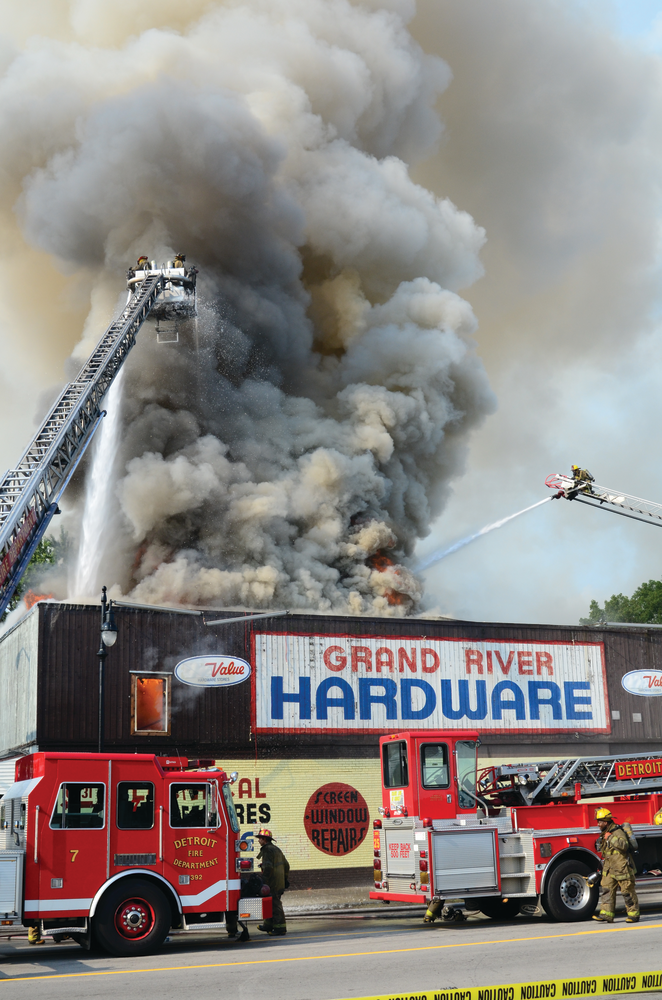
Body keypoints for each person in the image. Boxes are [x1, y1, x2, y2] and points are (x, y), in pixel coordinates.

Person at [592, 807, 639, 924]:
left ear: (605, 822)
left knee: (627, 891)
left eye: (599, 822)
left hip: (622, 867)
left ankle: (633, 915)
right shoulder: (605, 833)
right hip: (610, 868)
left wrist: (610, 838)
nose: (598, 824)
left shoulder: (617, 832)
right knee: (607, 890)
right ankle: (606, 914)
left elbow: (624, 845)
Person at [256, 827, 289, 936]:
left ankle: (280, 928)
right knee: (269, 904)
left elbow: (269, 868)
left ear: (265, 839)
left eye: (260, 838)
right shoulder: (276, 849)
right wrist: (285, 879)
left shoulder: (267, 850)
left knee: (275, 904)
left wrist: (263, 881)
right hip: (279, 881)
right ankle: (268, 925)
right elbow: (286, 865)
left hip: (272, 883)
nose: (258, 840)